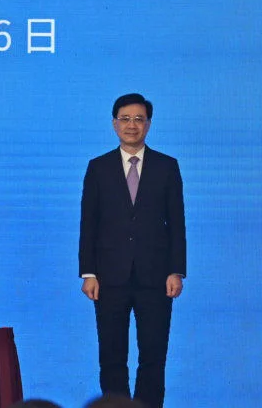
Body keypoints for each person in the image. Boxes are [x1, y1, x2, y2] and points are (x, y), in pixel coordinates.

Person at [79, 93, 186, 408]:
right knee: (112, 356)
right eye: (125, 119)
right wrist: (89, 273)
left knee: (153, 356)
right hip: (109, 277)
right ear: (114, 124)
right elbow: (89, 224)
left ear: (149, 124)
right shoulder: (98, 168)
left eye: (139, 119)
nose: (132, 125)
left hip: (156, 277)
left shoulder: (167, 166)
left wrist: (176, 270)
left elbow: (177, 224)